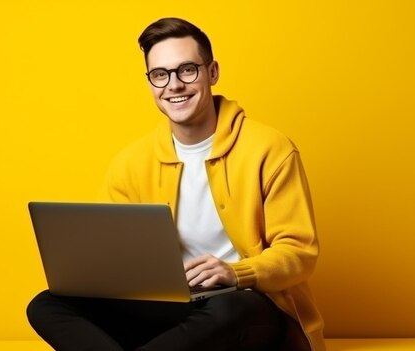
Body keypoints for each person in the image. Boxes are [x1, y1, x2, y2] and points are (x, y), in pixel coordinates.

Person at [27, 17, 325, 351]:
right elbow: (110, 258)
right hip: (174, 310)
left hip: (247, 305)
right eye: (160, 75)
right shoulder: (131, 162)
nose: (174, 85)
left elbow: (299, 252)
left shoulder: (270, 149)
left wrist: (236, 273)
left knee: (232, 307)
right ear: (151, 82)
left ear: (212, 72)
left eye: (187, 70)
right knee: (46, 304)